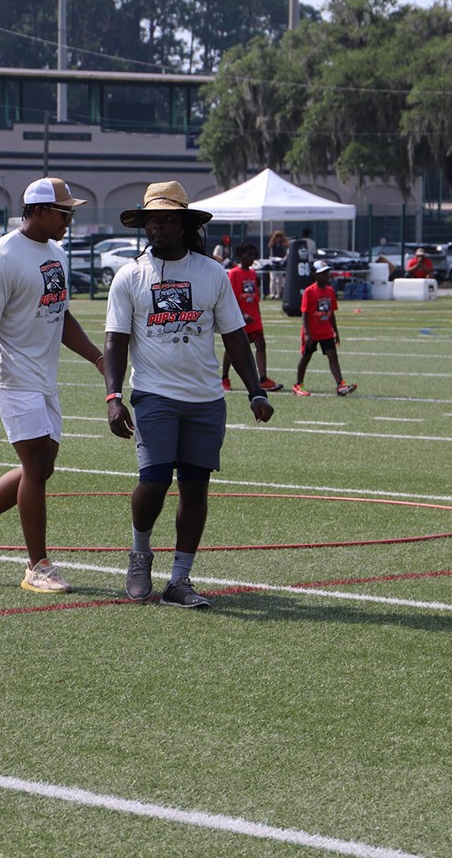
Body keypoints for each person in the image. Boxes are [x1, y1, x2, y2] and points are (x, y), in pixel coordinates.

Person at [104, 181, 274, 608]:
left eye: (165, 219)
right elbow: (115, 341)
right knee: (154, 480)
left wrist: (255, 391)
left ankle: (180, 579)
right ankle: (140, 553)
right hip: (153, 395)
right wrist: (113, 396)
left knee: (195, 487)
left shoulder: (212, 273)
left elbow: (235, 337)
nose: (156, 227)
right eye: (150, 220)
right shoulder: (129, 276)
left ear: (183, 224)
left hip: (205, 399)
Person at [0, 177, 104, 594]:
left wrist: (99, 359)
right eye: (65, 213)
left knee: (42, 468)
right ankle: (37, 567)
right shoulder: (1, 258)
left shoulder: (56, 254)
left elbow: (61, 317)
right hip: (14, 381)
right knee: (35, 469)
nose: (70, 219)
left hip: (45, 379)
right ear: (39, 211)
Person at [222, 241, 281, 393]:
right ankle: (224, 378)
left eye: (254, 255)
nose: (252, 258)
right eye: (249, 255)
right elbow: (230, 298)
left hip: (254, 318)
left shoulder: (253, 274)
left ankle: (263, 379)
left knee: (261, 345)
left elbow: (253, 297)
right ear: (240, 256)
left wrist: (258, 316)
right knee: (232, 349)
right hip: (239, 318)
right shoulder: (234, 274)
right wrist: (241, 315)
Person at [292, 263, 357, 396]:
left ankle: (340, 385)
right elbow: (305, 313)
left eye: (327, 272)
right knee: (306, 357)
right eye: (323, 273)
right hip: (312, 331)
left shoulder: (330, 291)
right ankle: (298, 384)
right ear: (316, 275)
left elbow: (331, 313)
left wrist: (336, 332)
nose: (327, 275)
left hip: (326, 331)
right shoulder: (309, 292)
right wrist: (307, 334)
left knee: (333, 356)